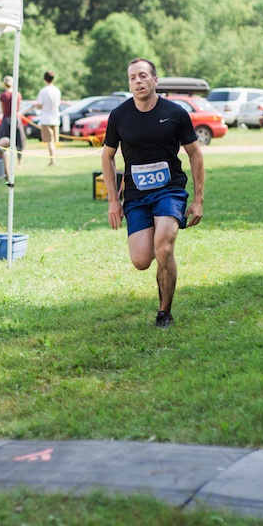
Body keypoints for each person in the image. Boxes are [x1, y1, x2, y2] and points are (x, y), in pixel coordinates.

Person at [101, 58, 205, 329]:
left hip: (169, 190)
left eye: (143, 75)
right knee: (141, 260)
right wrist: (113, 201)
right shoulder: (120, 116)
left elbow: (195, 154)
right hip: (136, 196)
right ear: (129, 84)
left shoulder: (175, 113)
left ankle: (164, 313)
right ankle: (162, 270)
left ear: (155, 80)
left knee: (164, 246)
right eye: (132, 77)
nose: (138, 81)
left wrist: (198, 200)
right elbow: (107, 156)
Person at [0, 75, 25, 171]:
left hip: (6, 119)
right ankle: (19, 163)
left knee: (3, 141)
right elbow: (18, 108)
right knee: (19, 141)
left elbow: (2, 109)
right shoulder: (17, 94)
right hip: (16, 119)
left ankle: (4, 162)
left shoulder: (3, 95)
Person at [36, 70, 63, 166]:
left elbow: (39, 105)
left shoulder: (44, 91)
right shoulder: (57, 90)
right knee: (53, 141)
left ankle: (52, 160)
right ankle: (53, 159)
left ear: (44, 79)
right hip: (55, 118)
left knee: (50, 142)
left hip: (46, 119)